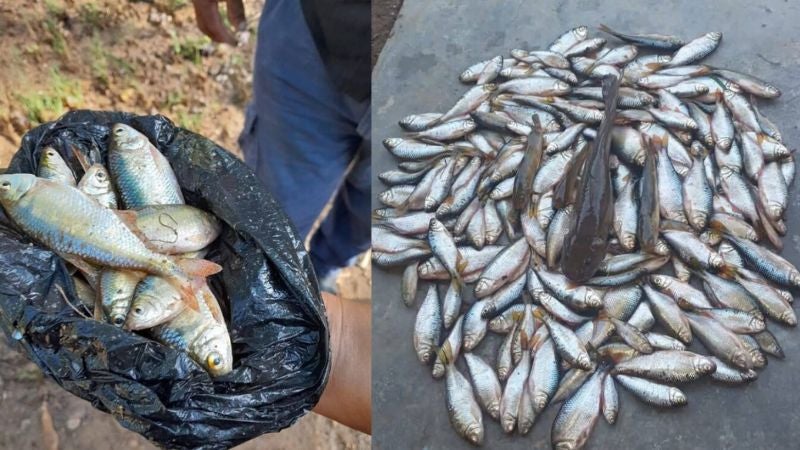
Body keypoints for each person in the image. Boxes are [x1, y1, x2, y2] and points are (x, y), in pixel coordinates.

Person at [191, 0, 372, 435]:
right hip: (315, 31)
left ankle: (319, 272)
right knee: (265, 216)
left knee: (370, 218)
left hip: (461, 86)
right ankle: (268, 290)